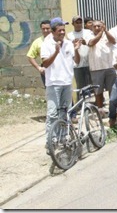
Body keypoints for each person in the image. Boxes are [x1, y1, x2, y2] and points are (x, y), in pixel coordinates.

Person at [41, 18, 80, 151]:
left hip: (67, 83)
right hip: (53, 83)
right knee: (52, 114)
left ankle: (63, 137)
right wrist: (56, 52)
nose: (62, 32)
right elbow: (45, 64)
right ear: (52, 32)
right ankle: (50, 141)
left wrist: (77, 49)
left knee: (65, 112)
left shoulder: (69, 44)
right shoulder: (46, 44)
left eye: (63, 30)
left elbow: (77, 61)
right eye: (59, 31)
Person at [85, 20, 117, 109]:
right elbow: (91, 43)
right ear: (91, 28)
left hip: (109, 66)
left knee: (112, 89)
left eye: (99, 26)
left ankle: (113, 109)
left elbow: (113, 41)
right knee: (98, 90)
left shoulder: (107, 34)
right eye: (94, 26)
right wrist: (101, 32)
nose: (97, 28)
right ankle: (100, 109)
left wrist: (105, 31)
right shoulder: (89, 35)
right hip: (96, 68)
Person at [66, 15, 93, 90]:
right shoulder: (69, 35)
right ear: (73, 24)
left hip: (89, 63)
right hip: (77, 65)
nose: (79, 24)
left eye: (80, 22)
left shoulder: (88, 33)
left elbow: (91, 43)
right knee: (81, 87)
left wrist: (85, 42)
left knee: (91, 86)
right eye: (77, 23)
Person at [26, 20, 52, 86]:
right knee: (49, 90)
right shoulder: (38, 42)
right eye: (43, 29)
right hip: (46, 68)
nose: (45, 30)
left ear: (51, 28)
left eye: (47, 28)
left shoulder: (57, 39)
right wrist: (39, 68)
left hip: (58, 67)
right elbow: (30, 56)